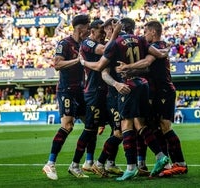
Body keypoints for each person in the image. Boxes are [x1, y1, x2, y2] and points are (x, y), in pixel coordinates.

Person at [79, 17, 169, 181]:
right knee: (140, 124)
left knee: (124, 127)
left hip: (125, 88)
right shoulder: (140, 40)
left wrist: (84, 62)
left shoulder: (115, 44)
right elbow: (158, 54)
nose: (106, 30)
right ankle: (160, 156)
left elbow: (101, 68)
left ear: (116, 27)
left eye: (109, 27)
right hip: (143, 84)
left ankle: (129, 167)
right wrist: (166, 51)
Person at [116, 20, 188, 177]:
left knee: (165, 126)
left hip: (164, 91)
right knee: (156, 128)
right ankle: (166, 163)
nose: (144, 34)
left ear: (153, 32)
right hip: (155, 92)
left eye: (146, 31)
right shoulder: (155, 48)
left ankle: (180, 163)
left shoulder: (159, 46)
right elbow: (147, 68)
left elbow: (147, 62)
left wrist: (127, 67)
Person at [69, 19, 121, 176]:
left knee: (117, 128)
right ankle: (75, 164)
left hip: (105, 92)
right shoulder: (87, 43)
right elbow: (106, 49)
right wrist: (116, 33)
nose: (103, 34)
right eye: (100, 31)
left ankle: (107, 163)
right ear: (92, 31)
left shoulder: (97, 40)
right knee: (89, 129)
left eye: (105, 32)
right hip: (94, 92)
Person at [42, 14, 91, 180]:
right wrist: (77, 61)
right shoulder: (64, 43)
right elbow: (57, 64)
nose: (89, 29)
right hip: (67, 90)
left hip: (81, 90)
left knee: (91, 125)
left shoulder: (84, 44)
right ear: (80, 27)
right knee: (68, 125)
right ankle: (50, 164)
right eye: (88, 26)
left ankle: (78, 165)